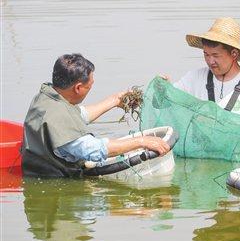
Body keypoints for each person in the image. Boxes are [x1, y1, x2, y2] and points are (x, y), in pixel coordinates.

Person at [22, 53, 170, 178]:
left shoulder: (47, 97)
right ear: (78, 88)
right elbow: (94, 149)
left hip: (35, 169)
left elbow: (78, 116)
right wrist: (142, 141)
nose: (90, 88)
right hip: (53, 184)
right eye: (90, 86)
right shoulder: (57, 115)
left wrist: (114, 101)